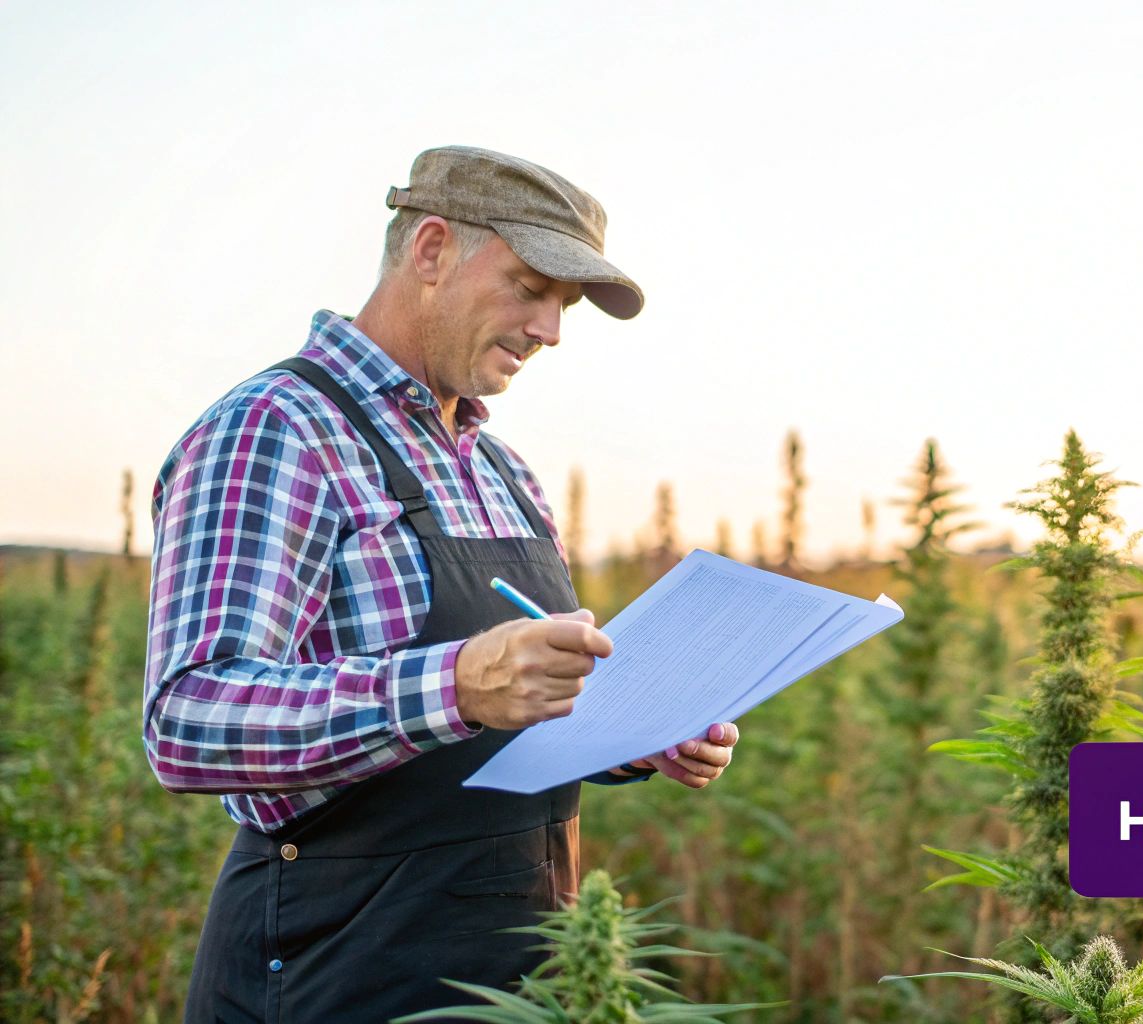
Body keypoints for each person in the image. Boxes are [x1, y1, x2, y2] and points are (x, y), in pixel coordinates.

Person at [142, 145, 740, 1022]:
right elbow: (189, 720)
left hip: (525, 979)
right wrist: (456, 684)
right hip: (337, 975)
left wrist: (638, 733)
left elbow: (519, 709)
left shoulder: (502, 469)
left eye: (564, 305)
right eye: (532, 287)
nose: (552, 331)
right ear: (430, 252)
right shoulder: (277, 431)